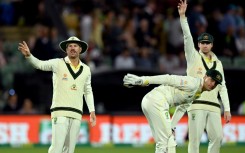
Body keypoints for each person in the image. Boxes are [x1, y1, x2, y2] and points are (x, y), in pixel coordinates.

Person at [18, 36, 96, 153]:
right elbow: (40, 64)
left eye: (75, 46)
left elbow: (88, 91)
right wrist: (29, 55)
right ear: (66, 49)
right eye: (70, 46)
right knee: (57, 148)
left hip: (76, 113)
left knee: (69, 150)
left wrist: (92, 111)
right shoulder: (58, 63)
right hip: (60, 112)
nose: (72, 48)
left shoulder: (86, 69)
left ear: (80, 49)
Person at [123, 69, 223, 153]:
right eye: (211, 80)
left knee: (162, 142)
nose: (212, 84)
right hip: (157, 101)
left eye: (216, 83)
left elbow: (182, 108)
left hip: (151, 101)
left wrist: (172, 125)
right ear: (205, 76)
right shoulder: (192, 83)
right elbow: (168, 78)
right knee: (168, 141)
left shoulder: (198, 92)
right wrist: (144, 80)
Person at [177, 1, 232, 153]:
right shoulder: (193, 57)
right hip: (196, 104)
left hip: (214, 106)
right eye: (202, 42)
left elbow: (223, 87)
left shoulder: (218, 63)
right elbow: (187, 37)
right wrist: (183, 17)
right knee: (194, 141)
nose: (205, 45)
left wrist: (226, 109)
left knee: (218, 138)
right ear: (198, 44)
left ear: (212, 45)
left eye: (208, 43)